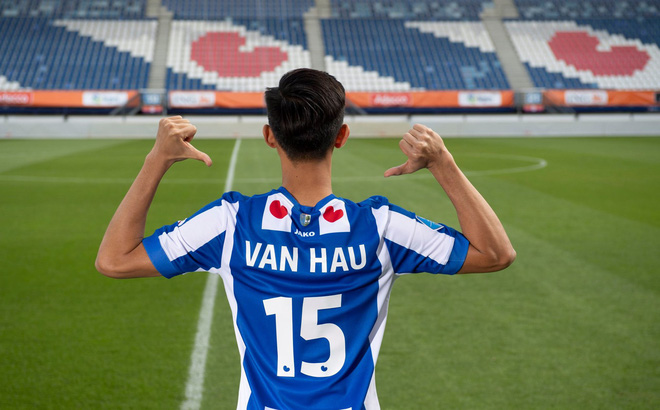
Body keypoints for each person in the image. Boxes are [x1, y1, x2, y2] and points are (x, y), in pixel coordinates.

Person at [96, 68, 515, 409]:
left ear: (269, 136)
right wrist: (442, 163)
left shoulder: (231, 224)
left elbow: (114, 260)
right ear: (341, 136)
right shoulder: (381, 229)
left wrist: (157, 158)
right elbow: (495, 253)